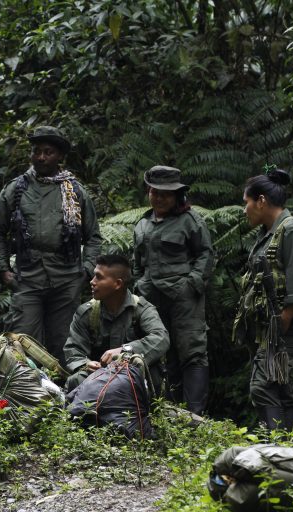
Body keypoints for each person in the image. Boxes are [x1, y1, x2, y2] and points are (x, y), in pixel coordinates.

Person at [0, 126, 102, 366]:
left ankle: (65, 395)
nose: (41, 157)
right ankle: (27, 396)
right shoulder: (15, 189)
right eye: (36, 151)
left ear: (60, 156)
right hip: (27, 276)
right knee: (22, 341)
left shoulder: (75, 191)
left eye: (48, 152)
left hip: (67, 278)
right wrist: (3, 271)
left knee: (65, 342)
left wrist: (86, 272)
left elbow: (93, 236)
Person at [233, 168, 293, 431]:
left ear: (261, 201)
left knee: (262, 386)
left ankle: (277, 447)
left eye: (246, 203)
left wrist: (285, 319)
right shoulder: (268, 234)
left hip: (281, 327)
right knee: (280, 386)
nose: (244, 210)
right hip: (268, 327)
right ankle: (291, 448)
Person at [132, 166, 213, 415]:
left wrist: (193, 283)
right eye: (155, 192)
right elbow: (137, 261)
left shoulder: (190, 221)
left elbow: (206, 253)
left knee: (192, 352)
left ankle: (196, 414)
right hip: (151, 299)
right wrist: (138, 286)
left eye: (166, 194)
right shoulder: (143, 223)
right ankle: (170, 411)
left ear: (177, 195)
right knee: (163, 354)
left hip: (184, 298)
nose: (159, 198)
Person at [64, 255, 170, 392]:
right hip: (99, 377)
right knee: (76, 380)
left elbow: (161, 338)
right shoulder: (86, 312)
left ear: (118, 284)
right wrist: (86, 364)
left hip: (135, 378)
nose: (92, 281)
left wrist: (125, 350)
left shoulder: (142, 309)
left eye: (99, 277)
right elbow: (73, 349)